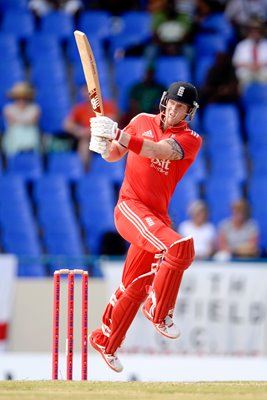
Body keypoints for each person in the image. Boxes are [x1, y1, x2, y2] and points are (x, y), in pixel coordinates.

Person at [88, 81, 202, 372]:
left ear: (189, 113)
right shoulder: (140, 121)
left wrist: (117, 134)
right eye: (172, 104)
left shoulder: (191, 140)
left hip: (156, 217)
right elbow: (115, 153)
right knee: (179, 247)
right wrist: (102, 144)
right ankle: (159, 311)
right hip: (130, 207)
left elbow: (157, 150)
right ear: (164, 102)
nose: (174, 111)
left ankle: (106, 340)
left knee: (135, 287)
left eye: (182, 108)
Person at [63, 84, 118, 169]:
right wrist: (78, 130)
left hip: (105, 137)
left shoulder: (107, 105)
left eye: (88, 91)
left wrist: (90, 131)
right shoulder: (80, 108)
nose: (85, 94)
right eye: (84, 91)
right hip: (88, 139)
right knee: (84, 143)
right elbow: (66, 124)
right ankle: (85, 171)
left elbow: (111, 121)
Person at [2, 81, 42, 156]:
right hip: (13, 136)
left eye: (24, 97)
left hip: (31, 135)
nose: (21, 100)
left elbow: (34, 121)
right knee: (16, 131)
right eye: (18, 97)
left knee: (32, 132)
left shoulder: (35, 108)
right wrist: (26, 121)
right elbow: (11, 121)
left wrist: (19, 121)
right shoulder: (8, 108)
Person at [232, 18, 267, 89]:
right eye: (253, 31)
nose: (255, 33)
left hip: (264, 74)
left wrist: (260, 65)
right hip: (246, 74)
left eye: (258, 31)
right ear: (249, 31)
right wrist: (249, 65)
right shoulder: (241, 45)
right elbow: (235, 62)